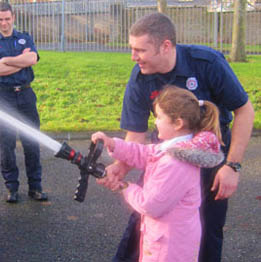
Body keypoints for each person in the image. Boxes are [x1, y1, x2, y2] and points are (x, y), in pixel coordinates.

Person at [98, 13, 255, 262]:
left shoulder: (207, 63)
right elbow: (136, 135)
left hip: (210, 160)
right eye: (131, 48)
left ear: (166, 46)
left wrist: (232, 165)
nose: (133, 56)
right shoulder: (140, 77)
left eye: (140, 50)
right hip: (168, 159)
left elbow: (244, 110)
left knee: (207, 234)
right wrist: (120, 166)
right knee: (144, 224)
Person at [92, 86, 225, 262]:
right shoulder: (173, 149)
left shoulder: (176, 163)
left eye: (159, 117)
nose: (155, 122)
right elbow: (144, 153)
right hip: (167, 240)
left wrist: (124, 186)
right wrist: (112, 144)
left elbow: (150, 205)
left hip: (170, 249)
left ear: (178, 123)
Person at [0, 2, 48, 203]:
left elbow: (33, 59)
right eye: (0, 19)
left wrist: (6, 61)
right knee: (7, 144)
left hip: (26, 95)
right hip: (4, 97)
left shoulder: (24, 37)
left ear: (13, 18)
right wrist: (20, 61)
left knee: (31, 142)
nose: (4, 22)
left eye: (7, 18)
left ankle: (35, 187)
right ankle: (12, 188)